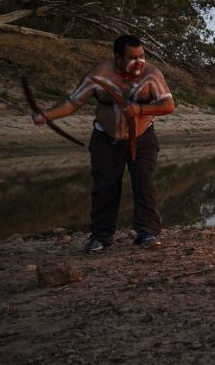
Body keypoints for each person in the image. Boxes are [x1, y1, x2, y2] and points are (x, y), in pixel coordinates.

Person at [31, 34, 175, 252]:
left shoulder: (151, 74)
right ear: (117, 57)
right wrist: (47, 115)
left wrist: (141, 109)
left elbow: (168, 105)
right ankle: (101, 237)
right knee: (105, 186)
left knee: (144, 183)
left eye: (142, 56)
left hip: (142, 138)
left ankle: (147, 233)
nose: (139, 62)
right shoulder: (100, 74)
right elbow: (72, 103)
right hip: (106, 140)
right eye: (132, 57)